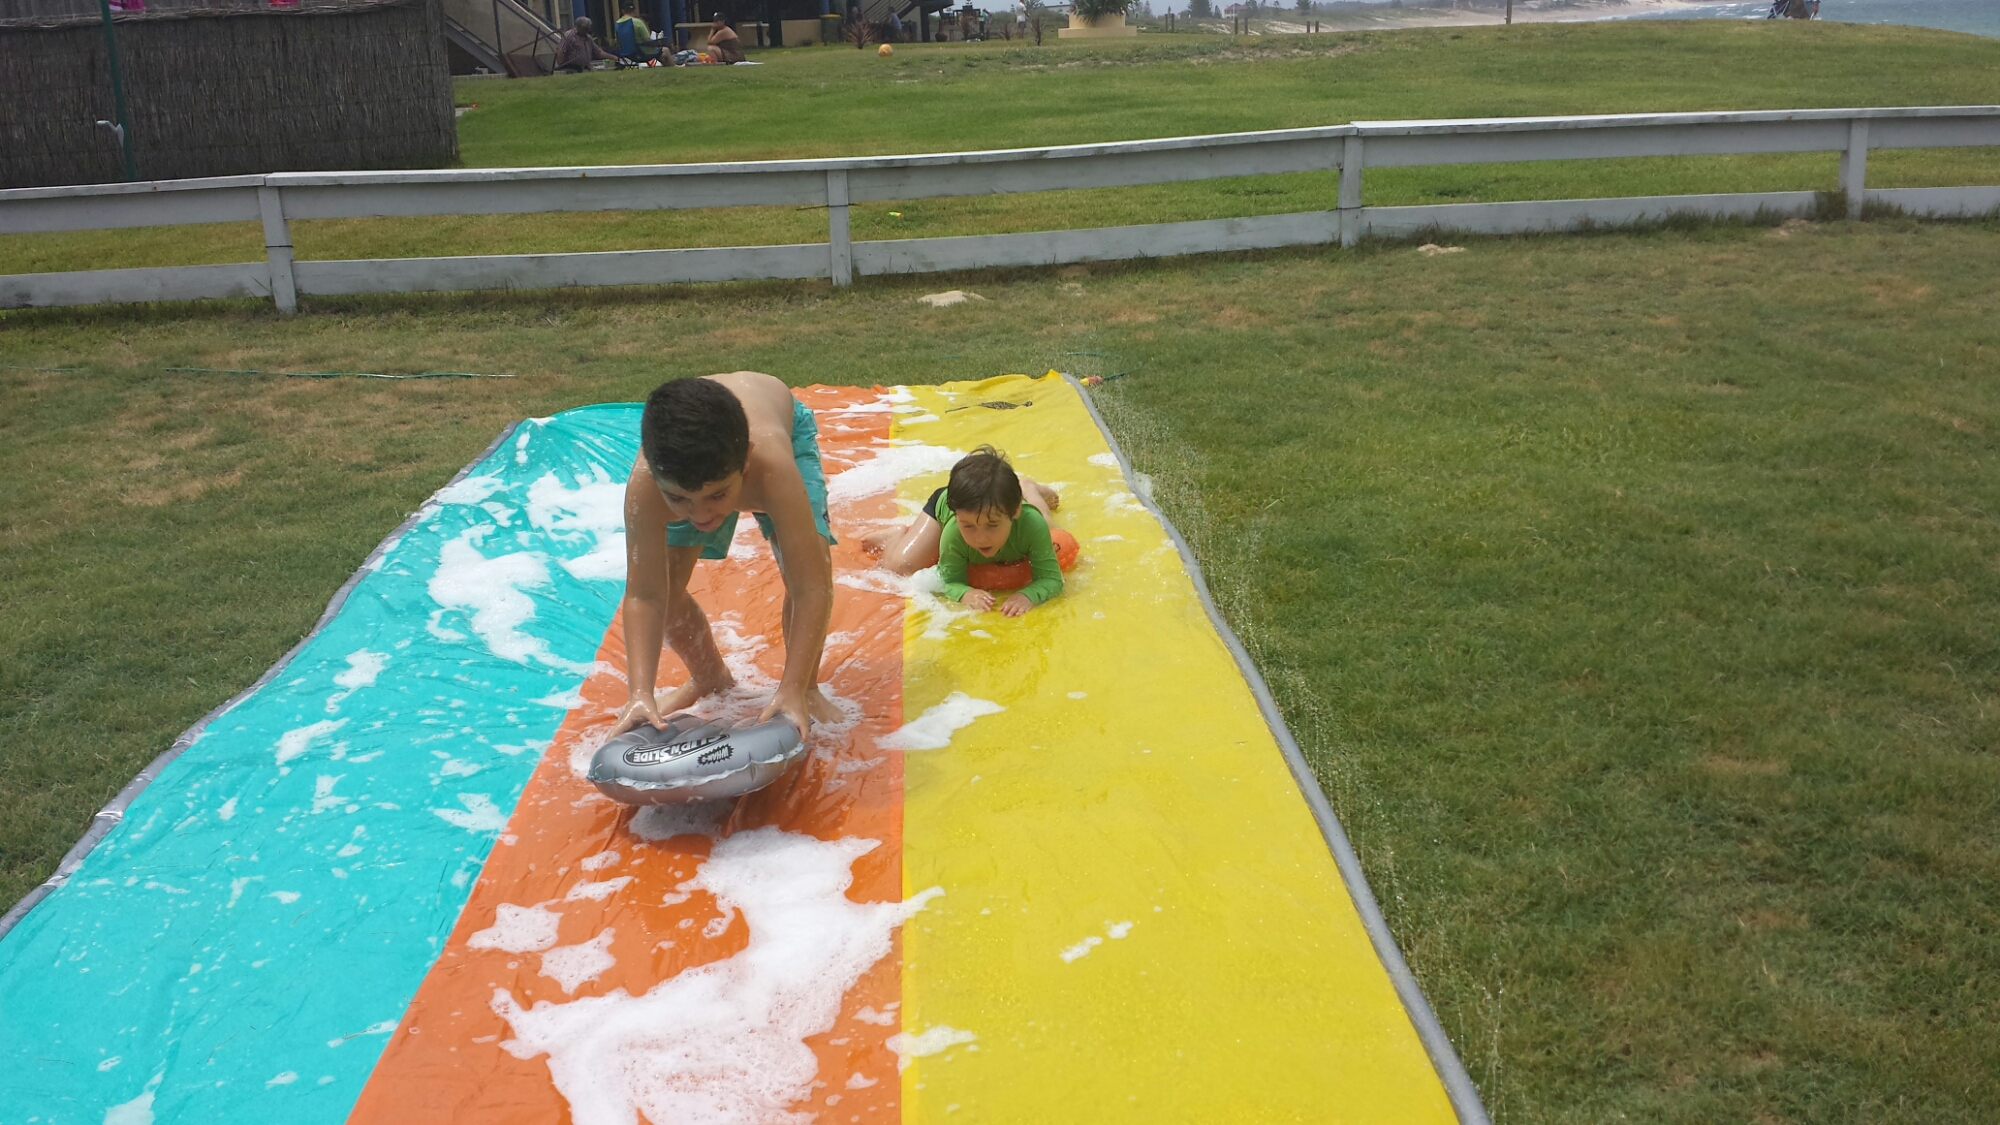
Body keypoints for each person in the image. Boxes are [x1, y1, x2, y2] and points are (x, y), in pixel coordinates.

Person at [611, 374, 841, 741]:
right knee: (667, 590)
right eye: (679, 499)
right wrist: (639, 693)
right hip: (712, 446)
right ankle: (709, 677)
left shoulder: (772, 469)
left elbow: (810, 589)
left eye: (716, 496)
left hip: (774, 430)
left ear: (746, 461)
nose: (700, 515)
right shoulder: (649, 485)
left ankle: (804, 687)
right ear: (654, 474)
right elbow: (645, 595)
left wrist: (794, 687)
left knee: (808, 567)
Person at [866, 446, 1064, 617]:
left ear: (1015, 510)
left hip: (1005, 505)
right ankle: (894, 536)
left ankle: (1027, 487)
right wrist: (964, 593)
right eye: (969, 527)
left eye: (992, 525)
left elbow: (1051, 579)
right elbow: (950, 580)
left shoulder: (1030, 524)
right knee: (901, 567)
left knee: (1046, 523)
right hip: (947, 503)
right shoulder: (954, 530)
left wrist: (1028, 595)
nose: (980, 538)